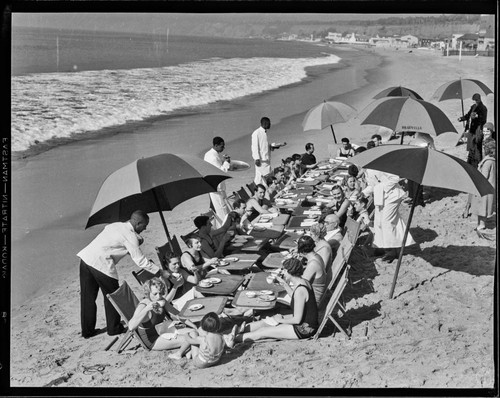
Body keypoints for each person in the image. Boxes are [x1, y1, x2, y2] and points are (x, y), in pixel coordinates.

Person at [77, 210, 168, 339]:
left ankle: (87, 331)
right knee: (113, 295)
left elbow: (116, 239)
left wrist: (134, 240)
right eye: (144, 225)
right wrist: (159, 271)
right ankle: (113, 328)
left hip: (86, 258)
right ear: (138, 223)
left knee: (87, 297)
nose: (145, 228)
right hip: (101, 264)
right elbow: (140, 260)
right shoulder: (130, 236)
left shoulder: (115, 225)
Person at [225, 258, 318, 346]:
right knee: (267, 321)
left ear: (290, 272)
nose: (283, 272)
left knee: (263, 332)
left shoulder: (300, 291)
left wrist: (280, 320)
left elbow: (297, 320)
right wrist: (284, 283)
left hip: (304, 329)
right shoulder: (304, 282)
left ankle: (233, 339)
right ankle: (239, 331)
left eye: (284, 270)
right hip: (303, 322)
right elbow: (295, 297)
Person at [362, 168, 416, 263]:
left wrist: (381, 187)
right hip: (380, 198)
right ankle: (382, 246)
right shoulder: (365, 170)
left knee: (386, 222)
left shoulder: (380, 165)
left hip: (392, 196)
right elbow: (372, 185)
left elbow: (395, 178)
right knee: (379, 222)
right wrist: (363, 193)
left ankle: (391, 251)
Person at [128, 278, 194, 351]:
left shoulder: (161, 300)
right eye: (155, 294)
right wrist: (147, 309)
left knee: (194, 333)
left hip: (163, 330)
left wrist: (194, 326)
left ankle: (190, 354)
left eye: (160, 293)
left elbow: (178, 314)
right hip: (153, 339)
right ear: (148, 293)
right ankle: (180, 354)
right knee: (189, 339)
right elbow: (131, 326)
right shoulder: (143, 305)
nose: (158, 296)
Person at [204, 136, 232, 225]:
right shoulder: (212, 157)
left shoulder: (210, 154)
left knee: (222, 208)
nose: (223, 148)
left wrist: (223, 161)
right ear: (216, 145)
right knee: (222, 210)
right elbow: (220, 172)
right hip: (217, 188)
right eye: (222, 146)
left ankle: (222, 226)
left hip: (215, 187)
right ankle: (224, 229)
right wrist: (226, 162)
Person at [251, 117, 286, 185]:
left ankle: (260, 190)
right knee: (261, 178)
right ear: (265, 123)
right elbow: (254, 147)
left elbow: (265, 146)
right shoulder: (256, 133)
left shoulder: (265, 133)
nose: (270, 124)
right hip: (261, 161)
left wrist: (274, 147)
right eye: (269, 123)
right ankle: (256, 190)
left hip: (266, 159)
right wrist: (256, 158)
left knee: (265, 178)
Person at [470, 141, 496, 231]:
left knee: (482, 207)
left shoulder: (488, 162)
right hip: (489, 187)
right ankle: (480, 223)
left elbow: (484, 176)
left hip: (484, 188)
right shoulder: (492, 161)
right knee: (483, 207)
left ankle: (481, 224)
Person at [458, 93, 487, 167]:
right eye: (474, 100)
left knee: (477, 147)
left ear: (479, 99)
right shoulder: (473, 107)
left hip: (477, 131)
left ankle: (478, 163)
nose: (474, 102)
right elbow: (468, 116)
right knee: (471, 147)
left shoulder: (483, 108)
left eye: (476, 100)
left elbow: (483, 120)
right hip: (471, 130)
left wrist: (477, 117)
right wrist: (461, 118)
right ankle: (470, 163)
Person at [297, 235, 326, 305]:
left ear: (302, 251)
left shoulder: (313, 264)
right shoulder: (317, 256)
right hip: (315, 295)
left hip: (313, 302)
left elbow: (300, 285)